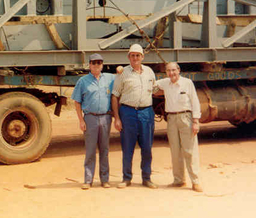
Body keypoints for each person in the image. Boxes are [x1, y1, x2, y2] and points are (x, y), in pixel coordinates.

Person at [111, 44, 158, 189]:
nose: (135, 58)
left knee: (147, 148)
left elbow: (155, 89)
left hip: (146, 113)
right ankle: (126, 178)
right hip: (128, 113)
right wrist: (117, 118)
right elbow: (115, 96)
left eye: (138, 55)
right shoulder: (123, 73)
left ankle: (146, 178)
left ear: (142, 57)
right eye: (133, 55)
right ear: (128, 57)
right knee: (127, 147)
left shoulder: (149, 72)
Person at [155, 62, 203, 192]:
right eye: (168, 71)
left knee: (189, 151)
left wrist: (195, 121)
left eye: (173, 70)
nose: (171, 73)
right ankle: (179, 180)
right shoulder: (165, 83)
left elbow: (195, 102)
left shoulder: (187, 83)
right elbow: (152, 85)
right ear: (166, 72)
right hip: (171, 119)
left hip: (186, 118)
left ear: (179, 70)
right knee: (175, 151)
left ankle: (196, 181)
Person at [71, 53, 117, 189]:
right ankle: (88, 180)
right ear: (89, 65)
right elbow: (77, 102)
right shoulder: (83, 81)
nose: (97, 65)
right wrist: (81, 120)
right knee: (90, 150)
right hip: (90, 118)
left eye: (99, 63)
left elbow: (122, 80)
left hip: (105, 117)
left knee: (105, 149)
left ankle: (105, 179)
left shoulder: (110, 79)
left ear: (102, 65)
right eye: (94, 63)